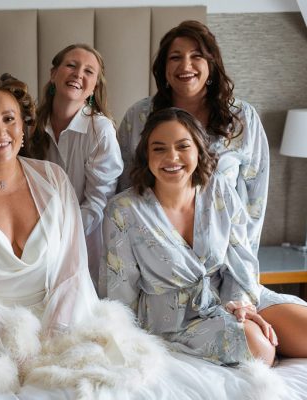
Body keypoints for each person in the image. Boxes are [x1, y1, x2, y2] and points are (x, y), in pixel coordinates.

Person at [0, 71, 235, 400]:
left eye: (9, 119)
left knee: (88, 386)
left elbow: (72, 270)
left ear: (24, 126)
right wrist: (12, 340)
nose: (0, 131)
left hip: (62, 320)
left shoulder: (53, 179)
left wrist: (53, 339)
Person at [104, 108, 307, 368]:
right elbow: (120, 289)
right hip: (176, 316)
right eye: (159, 148)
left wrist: (242, 306)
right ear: (146, 155)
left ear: (198, 150)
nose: (172, 157)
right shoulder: (123, 210)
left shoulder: (219, 189)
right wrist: (127, 341)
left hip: (232, 292)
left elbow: (241, 258)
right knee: (260, 349)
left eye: (182, 146)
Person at [117, 20, 268, 257]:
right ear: (164, 68)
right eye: (175, 57)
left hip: (224, 257)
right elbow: (124, 188)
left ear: (211, 64)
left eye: (196, 55)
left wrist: (242, 267)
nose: (185, 65)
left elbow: (254, 201)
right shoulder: (138, 117)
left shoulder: (242, 119)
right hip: (154, 257)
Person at [30, 44, 122, 287]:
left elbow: (99, 201)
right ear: (53, 74)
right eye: (71, 65)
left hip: (84, 242)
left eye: (88, 71)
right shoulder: (30, 127)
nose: (78, 74)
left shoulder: (100, 130)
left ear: (94, 87)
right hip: (33, 239)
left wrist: (60, 237)